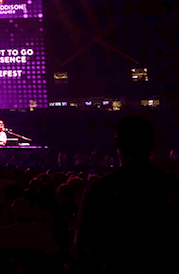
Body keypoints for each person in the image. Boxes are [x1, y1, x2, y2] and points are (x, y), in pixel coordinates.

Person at [74, 116, 179, 272]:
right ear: (152, 144)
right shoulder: (171, 187)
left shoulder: (100, 190)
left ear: (117, 144)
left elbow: (84, 250)